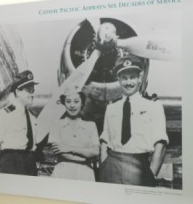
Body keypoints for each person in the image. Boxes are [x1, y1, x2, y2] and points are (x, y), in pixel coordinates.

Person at [99, 55, 169, 187]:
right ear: (118, 79)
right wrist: (103, 165)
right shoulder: (111, 108)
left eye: (132, 77)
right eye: (124, 78)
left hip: (140, 166)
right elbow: (105, 140)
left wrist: (151, 174)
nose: (128, 82)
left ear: (140, 78)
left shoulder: (154, 106)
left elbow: (160, 143)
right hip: (111, 166)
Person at [0, 70, 39, 176]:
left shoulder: (32, 117)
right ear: (18, 91)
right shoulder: (5, 113)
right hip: (12, 163)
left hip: (30, 164)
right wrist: (4, 164)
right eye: (29, 90)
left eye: (33, 90)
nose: (32, 94)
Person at [48, 86, 100, 181]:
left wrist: (68, 148)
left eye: (76, 101)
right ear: (64, 103)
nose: (72, 105)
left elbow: (96, 152)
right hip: (62, 175)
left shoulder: (91, 126)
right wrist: (85, 155)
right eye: (68, 101)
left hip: (85, 176)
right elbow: (62, 154)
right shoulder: (56, 125)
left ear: (82, 103)